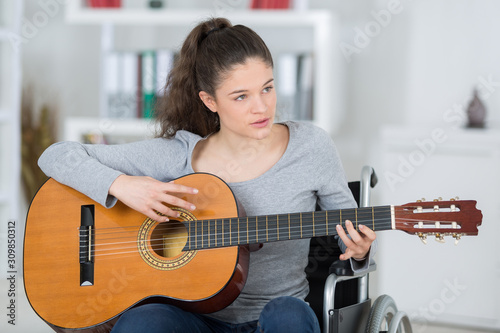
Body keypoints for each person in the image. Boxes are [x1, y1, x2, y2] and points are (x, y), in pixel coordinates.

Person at [38, 17, 376, 333]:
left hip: (272, 316)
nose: (261, 107)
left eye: (267, 88)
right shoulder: (179, 154)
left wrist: (359, 251)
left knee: (289, 313)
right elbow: (56, 155)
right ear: (209, 100)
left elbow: (348, 233)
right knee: (143, 321)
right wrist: (124, 186)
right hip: (195, 319)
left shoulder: (311, 146)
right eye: (241, 96)